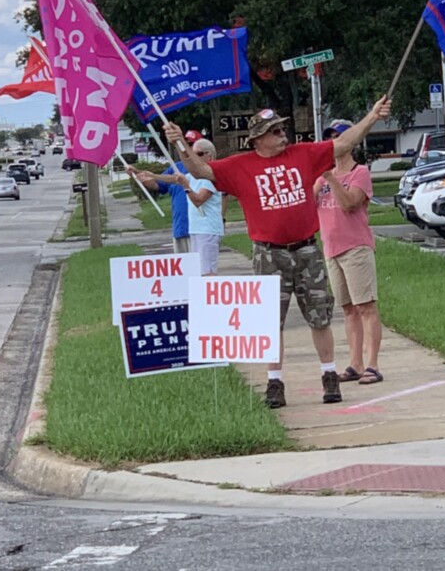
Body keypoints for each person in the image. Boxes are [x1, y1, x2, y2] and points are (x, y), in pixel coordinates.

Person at [163, 96, 392, 408]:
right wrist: (180, 144)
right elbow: (200, 169)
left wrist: (372, 116)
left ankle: (328, 375)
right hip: (268, 253)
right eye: (274, 131)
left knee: (319, 316)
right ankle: (275, 382)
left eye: (282, 128)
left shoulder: (304, 154)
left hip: (307, 248)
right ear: (257, 139)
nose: (282, 134)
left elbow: (343, 144)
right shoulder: (240, 166)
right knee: (270, 322)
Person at [314, 119, 383, 385]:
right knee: (348, 309)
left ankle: (373, 364)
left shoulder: (359, 172)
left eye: (339, 136)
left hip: (355, 247)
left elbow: (350, 204)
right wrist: (319, 180)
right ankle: (355, 363)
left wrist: (331, 176)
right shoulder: (321, 177)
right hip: (331, 248)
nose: (334, 141)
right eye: (330, 137)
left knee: (365, 306)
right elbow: (309, 206)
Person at [127, 129, 202, 253]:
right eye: (185, 144)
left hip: (199, 230)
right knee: (183, 269)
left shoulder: (204, 169)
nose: (187, 148)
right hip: (180, 228)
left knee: (201, 269)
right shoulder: (176, 167)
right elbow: (156, 184)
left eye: (191, 144)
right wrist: (135, 173)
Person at [168, 138, 223, 275]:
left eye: (197, 154)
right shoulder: (195, 176)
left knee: (207, 271)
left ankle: (210, 296)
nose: (193, 158)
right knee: (198, 270)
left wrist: (186, 186)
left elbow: (199, 200)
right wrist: (151, 175)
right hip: (196, 229)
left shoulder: (212, 177)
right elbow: (176, 178)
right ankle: (202, 295)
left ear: (208, 156)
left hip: (208, 229)